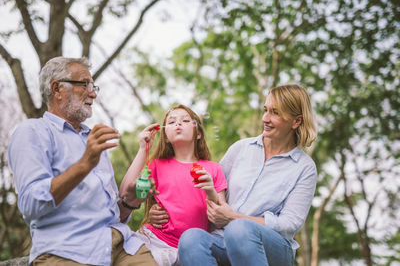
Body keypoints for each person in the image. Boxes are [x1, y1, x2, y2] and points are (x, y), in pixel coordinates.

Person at [8, 57, 158, 266]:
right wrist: (84, 164)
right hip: (64, 251)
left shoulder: (92, 139)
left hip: (122, 247)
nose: (93, 93)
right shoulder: (32, 132)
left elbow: (110, 215)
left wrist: (129, 202)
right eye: (84, 84)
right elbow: (31, 205)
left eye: (93, 85)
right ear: (57, 89)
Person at [151, 84, 317, 266]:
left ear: (296, 121)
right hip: (222, 239)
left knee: (239, 229)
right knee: (190, 238)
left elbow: (289, 224)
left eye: (275, 113)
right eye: (265, 110)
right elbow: (208, 193)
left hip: (273, 248)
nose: (265, 118)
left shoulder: (304, 167)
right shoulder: (240, 149)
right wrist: (161, 212)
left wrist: (235, 218)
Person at [119, 104, 227, 266]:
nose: (178, 123)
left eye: (185, 120)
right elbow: (125, 194)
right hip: (155, 240)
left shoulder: (213, 168)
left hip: (192, 248)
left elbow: (220, 220)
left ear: (198, 134)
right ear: (166, 137)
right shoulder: (157, 165)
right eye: (171, 122)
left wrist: (210, 191)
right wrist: (143, 149)